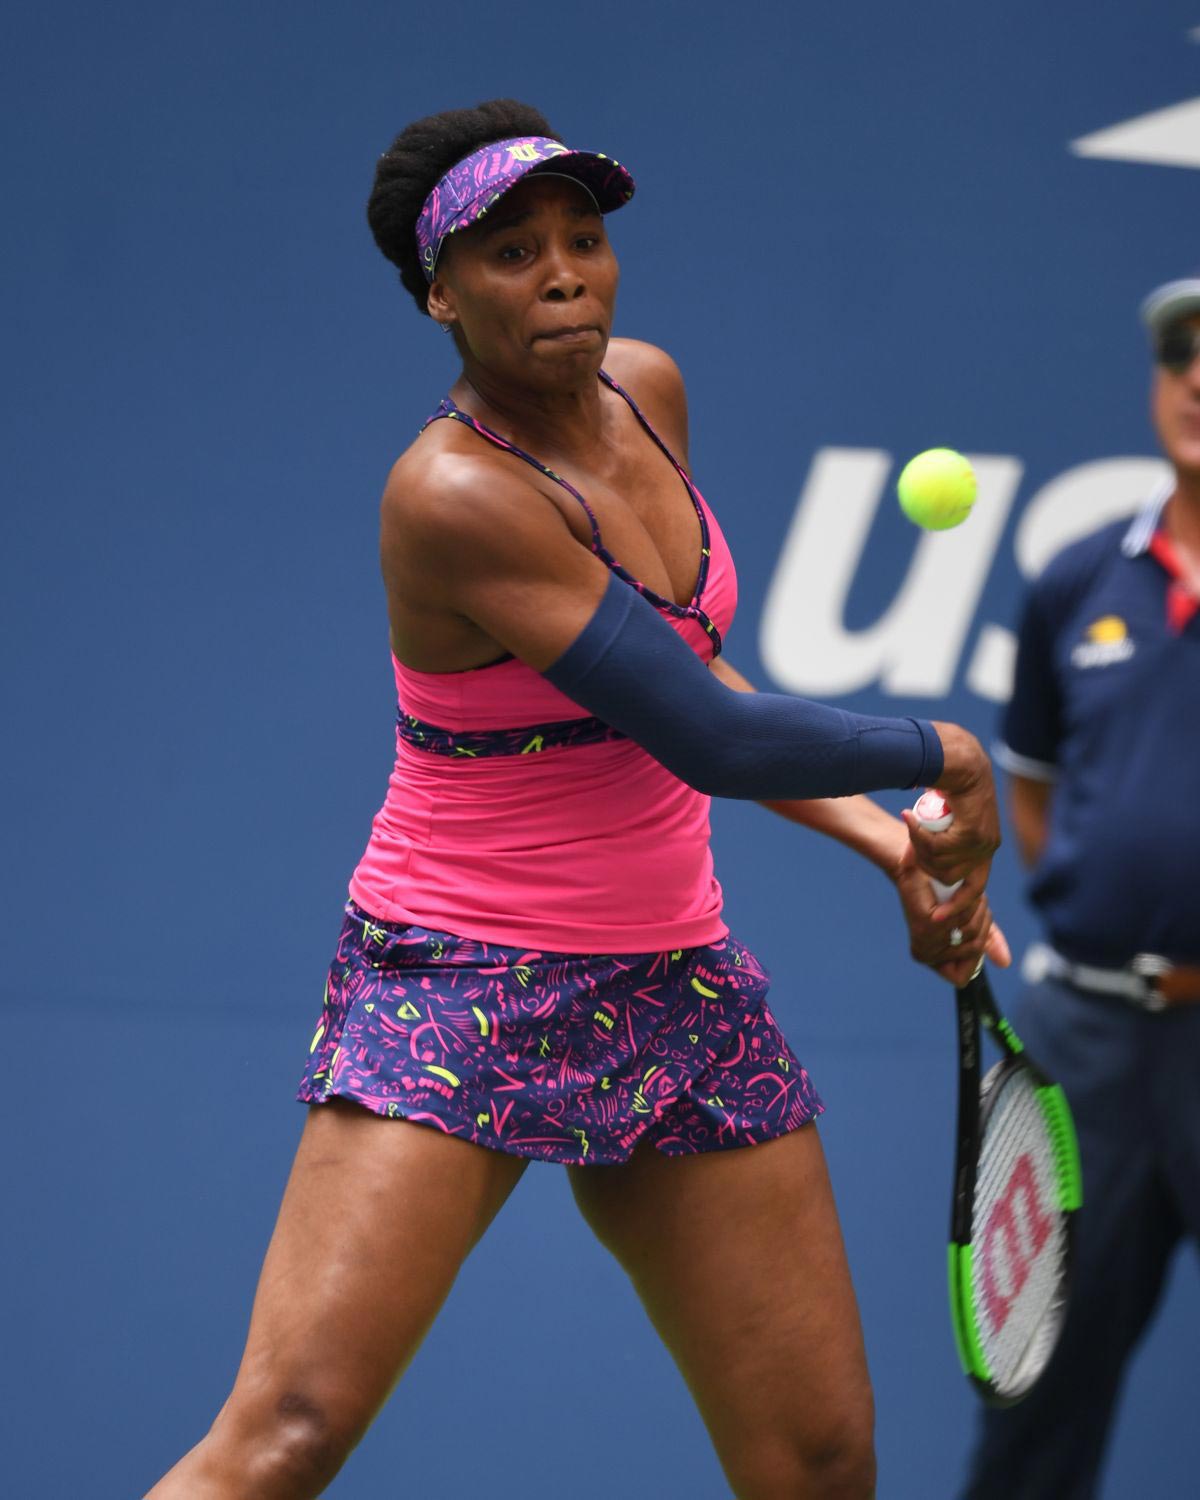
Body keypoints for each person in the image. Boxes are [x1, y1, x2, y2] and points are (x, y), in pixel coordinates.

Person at [147, 99, 1006, 1500]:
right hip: (456, 976)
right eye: (509, 252)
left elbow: (696, 690)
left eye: (583, 240)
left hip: (674, 977)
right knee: (285, 1441)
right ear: (438, 293)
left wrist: (881, 843)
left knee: (820, 1458)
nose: (562, 274)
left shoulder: (649, 394)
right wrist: (942, 757)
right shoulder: (451, 494)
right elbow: (714, 738)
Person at [960, 277, 1200, 1500]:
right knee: (1034, 1406)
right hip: (1087, 1049)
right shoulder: (1074, 584)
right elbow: (1038, 796)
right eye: (1182, 354)